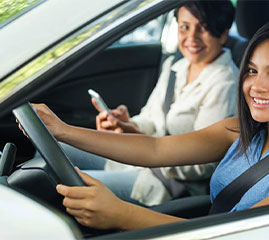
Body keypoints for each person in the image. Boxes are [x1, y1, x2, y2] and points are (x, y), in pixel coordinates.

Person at [29, 15, 269, 230]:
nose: (257, 86)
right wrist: (63, 131)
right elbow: (154, 149)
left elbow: (239, 235)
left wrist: (121, 214)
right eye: (251, 70)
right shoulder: (239, 130)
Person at [51, 0, 238, 206]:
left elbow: (203, 164)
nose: (191, 37)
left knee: (60, 184)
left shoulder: (225, 83)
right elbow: (151, 118)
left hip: (167, 183)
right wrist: (127, 125)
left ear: (223, 34)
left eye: (203, 28)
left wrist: (143, 145)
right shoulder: (176, 66)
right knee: (53, 147)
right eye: (185, 27)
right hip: (139, 160)